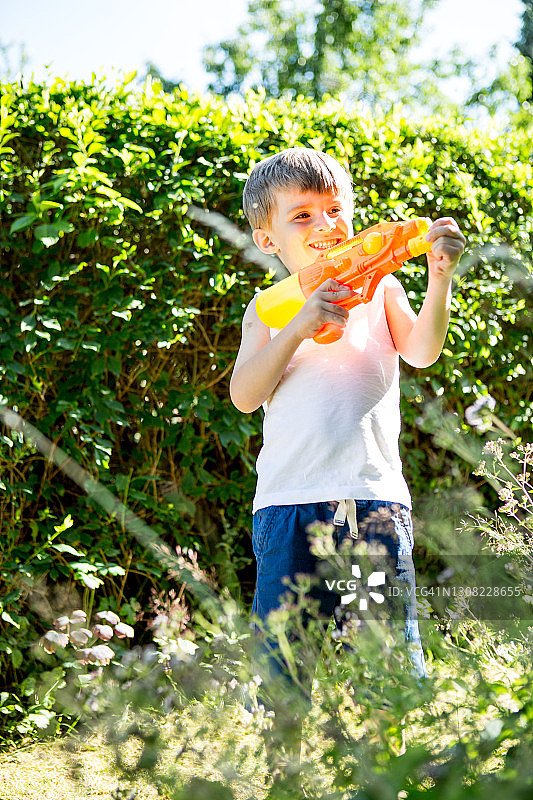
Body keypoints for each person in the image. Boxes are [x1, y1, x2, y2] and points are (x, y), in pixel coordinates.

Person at [230, 146, 465, 770]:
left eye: (334, 209)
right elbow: (245, 394)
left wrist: (439, 277)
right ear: (268, 238)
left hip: (374, 500)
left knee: (387, 656)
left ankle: (390, 773)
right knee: (286, 660)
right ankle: (285, 773)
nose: (325, 224)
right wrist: (299, 326)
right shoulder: (269, 308)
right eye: (302, 215)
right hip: (289, 504)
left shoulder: (382, 287)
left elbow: (422, 351)